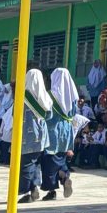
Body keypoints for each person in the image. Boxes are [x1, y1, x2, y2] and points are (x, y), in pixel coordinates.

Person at [37, 68, 79, 201]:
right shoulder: (73, 96)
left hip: (53, 131)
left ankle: (51, 191)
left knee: (49, 160)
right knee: (61, 156)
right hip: (66, 131)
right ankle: (64, 176)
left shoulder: (51, 95)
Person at [15, 69, 51, 203]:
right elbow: (49, 116)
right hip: (41, 135)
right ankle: (34, 186)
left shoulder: (22, 97)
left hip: (26, 135)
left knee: (25, 164)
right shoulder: (45, 97)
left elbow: (14, 114)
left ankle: (25, 192)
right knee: (35, 163)